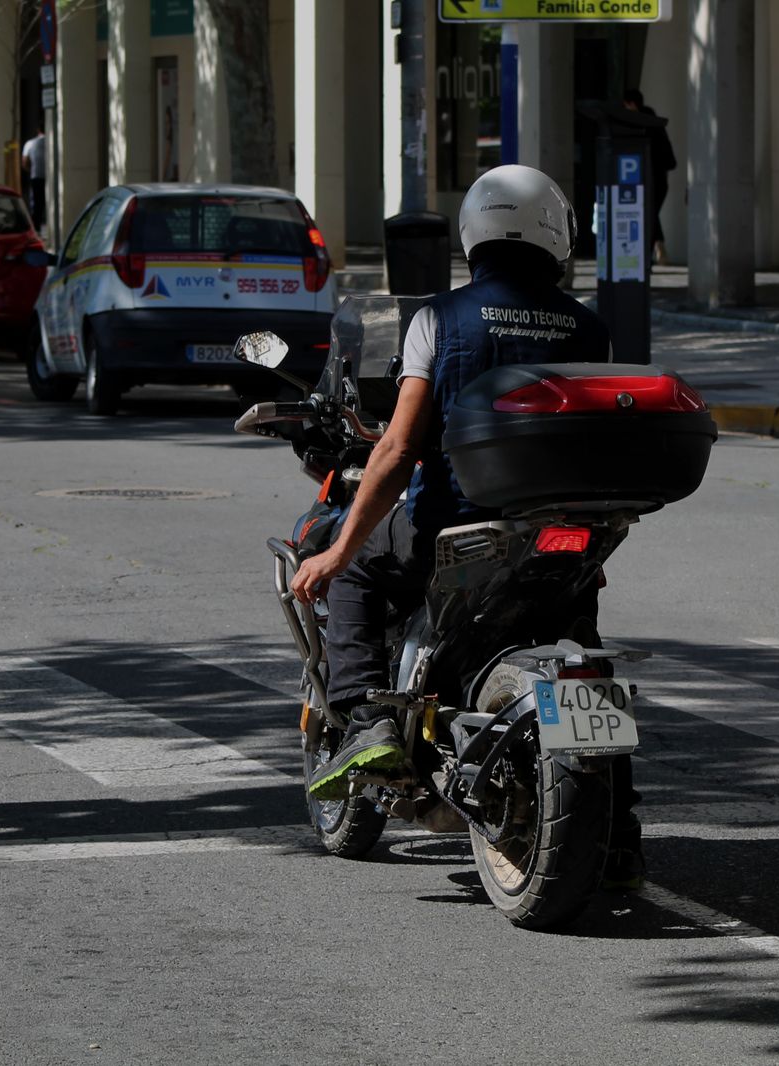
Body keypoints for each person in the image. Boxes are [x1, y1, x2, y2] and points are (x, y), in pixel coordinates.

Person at [291, 164, 644, 888]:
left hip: (455, 530)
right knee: (581, 636)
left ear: (474, 235)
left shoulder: (439, 320)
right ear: (555, 235)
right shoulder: (589, 326)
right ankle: (620, 832)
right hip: (560, 531)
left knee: (355, 566)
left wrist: (337, 551)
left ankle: (367, 722)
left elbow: (397, 451)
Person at [622, 89, 676, 266]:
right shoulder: (655, 123)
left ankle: (651, 254)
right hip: (661, 179)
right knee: (651, 215)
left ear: (631, 104)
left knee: (648, 215)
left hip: (646, 179)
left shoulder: (638, 124)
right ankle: (657, 248)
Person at [21, 126, 48, 229]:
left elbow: (24, 162)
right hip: (49, 177)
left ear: (38, 130)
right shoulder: (52, 142)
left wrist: (31, 170)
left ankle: (36, 228)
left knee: (37, 204)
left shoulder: (30, 143)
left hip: (36, 176)